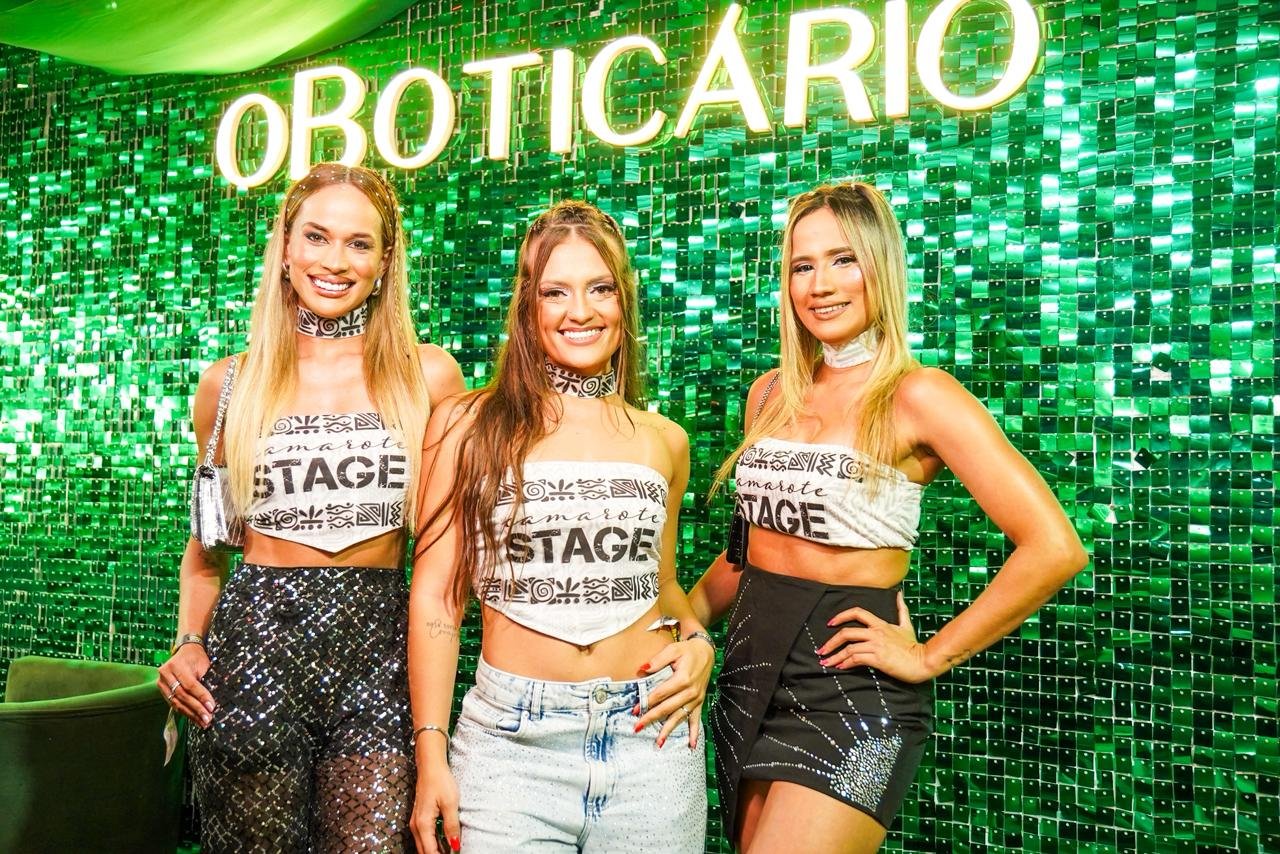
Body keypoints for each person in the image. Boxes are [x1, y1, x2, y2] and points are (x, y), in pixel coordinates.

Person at [689, 181, 1088, 853]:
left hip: (852, 695)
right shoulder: (770, 393)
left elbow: (1054, 546)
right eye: (803, 265)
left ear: (881, 266)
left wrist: (931, 655)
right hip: (749, 672)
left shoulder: (919, 394)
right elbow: (750, 550)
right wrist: (683, 625)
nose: (821, 285)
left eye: (843, 259)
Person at [157, 162, 464, 853]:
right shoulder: (229, 384)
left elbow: (446, 562)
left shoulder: (429, 376)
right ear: (286, 249)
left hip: (382, 660)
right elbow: (207, 552)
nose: (335, 260)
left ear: (385, 263)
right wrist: (187, 641)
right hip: (254, 657)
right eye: (317, 237)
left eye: (359, 243)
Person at [407, 200, 712, 854]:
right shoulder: (466, 425)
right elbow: (436, 598)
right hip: (510, 750)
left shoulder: (665, 440)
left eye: (600, 289)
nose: (581, 311)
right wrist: (430, 751)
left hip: (651, 739)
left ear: (624, 302)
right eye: (556, 292)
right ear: (527, 307)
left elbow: (662, 586)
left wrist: (697, 643)